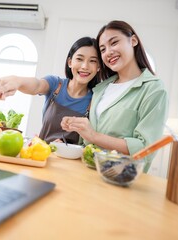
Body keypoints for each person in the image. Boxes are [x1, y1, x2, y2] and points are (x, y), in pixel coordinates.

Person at [61, 21, 168, 172]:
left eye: (114, 43)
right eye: (103, 49)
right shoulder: (100, 89)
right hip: (86, 173)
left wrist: (94, 136)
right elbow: (89, 139)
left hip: (120, 179)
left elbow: (146, 149)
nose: (108, 52)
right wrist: (75, 127)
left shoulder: (154, 90)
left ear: (133, 41)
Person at [0, 37, 100, 144]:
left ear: (98, 67)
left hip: (70, 162)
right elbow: (36, 85)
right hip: (41, 153)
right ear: (70, 62)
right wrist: (17, 81)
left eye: (92, 61)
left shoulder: (96, 100)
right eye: (79, 59)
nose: (85, 66)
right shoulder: (56, 84)